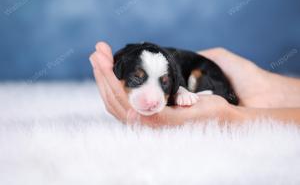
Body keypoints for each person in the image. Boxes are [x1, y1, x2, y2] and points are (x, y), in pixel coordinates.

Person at [89, 42, 300, 127]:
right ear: (120, 71)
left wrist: (232, 114)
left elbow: (176, 83)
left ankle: (215, 95)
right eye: (137, 79)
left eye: (164, 84)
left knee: (195, 79)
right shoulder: (128, 59)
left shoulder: (176, 74)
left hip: (204, 75)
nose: (151, 99)